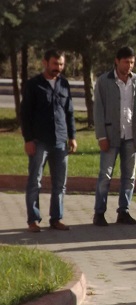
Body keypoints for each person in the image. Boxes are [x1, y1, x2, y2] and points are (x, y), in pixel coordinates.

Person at [92, 46, 136, 227]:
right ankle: (99, 213)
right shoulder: (104, 81)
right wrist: (101, 136)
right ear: (117, 61)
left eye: (132, 62)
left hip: (131, 136)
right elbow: (98, 110)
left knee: (129, 176)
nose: (129, 66)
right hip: (110, 135)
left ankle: (123, 211)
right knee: (105, 176)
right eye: (126, 62)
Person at [20, 49, 76, 232]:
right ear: (45, 63)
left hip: (60, 141)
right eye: (55, 64)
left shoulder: (64, 84)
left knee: (60, 183)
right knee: (35, 181)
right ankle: (33, 220)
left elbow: (69, 113)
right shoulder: (33, 85)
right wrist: (28, 139)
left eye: (61, 64)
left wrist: (72, 137)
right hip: (39, 141)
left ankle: (56, 218)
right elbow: (25, 115)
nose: (58, 68)